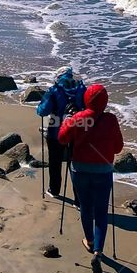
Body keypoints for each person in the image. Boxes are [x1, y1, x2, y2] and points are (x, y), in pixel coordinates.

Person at [57, 83, 124, 273]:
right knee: (101, 212)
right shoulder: (111, 120)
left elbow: (62, 139)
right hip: (103, 171)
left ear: (86, 99)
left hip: (80, 169)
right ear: (105, 101)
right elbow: (118, 148)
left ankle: (90, 240)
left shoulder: (78, 118)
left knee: (86, 207)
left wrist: (67, 121)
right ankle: (98, 252)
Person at [36, 66, 86, 200]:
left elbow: (42, 111)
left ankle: (54, 190)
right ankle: (79, 199)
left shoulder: (54, 90)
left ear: (58, 77)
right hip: (78, 131)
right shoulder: (81, 88)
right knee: (76, 165)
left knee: (55, 162)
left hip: (56, 131)